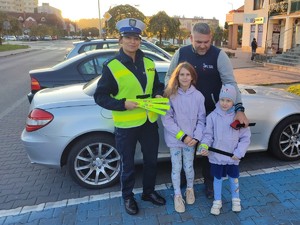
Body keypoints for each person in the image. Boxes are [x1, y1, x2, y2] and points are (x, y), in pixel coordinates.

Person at [165, 22, 249, 199]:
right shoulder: (181, 53)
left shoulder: (219, 55)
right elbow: (169, 76)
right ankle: (183, 184)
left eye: (206, 41)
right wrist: (168, 95)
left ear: (211, 38)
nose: (203, 45)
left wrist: (239, 108)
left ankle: (209, 184)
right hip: (184, 112)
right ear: (191, 38)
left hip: (211, 112)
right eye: (198, 41)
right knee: (185, 147)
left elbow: (230, 83)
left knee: (210, 149)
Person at [93, 18, 166, 215]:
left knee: (151, 160)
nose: (132, 42)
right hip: (126, 125)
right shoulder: (112, 66)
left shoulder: (149, 63)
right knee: (128, 163)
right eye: (128, 38)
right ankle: (127, 197)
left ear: (140, 41)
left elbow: (157, 85)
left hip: (149, 120)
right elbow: (100, 96)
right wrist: (122, 104)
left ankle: (148, 192)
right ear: (121, 41)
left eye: (136, 38)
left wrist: (159, 93)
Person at [198, 84, 251, 215]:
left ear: (233, 101)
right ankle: (217, 201)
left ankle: (236, 199)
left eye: (228, 100)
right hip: (216, 157)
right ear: (218, 99)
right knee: (217, 179)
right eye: (222, 100)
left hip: (232, 157)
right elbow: (207, 135)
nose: (225, 103)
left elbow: (245, 138)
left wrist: (239, 153)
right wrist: (204, 146)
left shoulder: (239, 118)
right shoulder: (212, 117)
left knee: (234, 178)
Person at [161, 62, 206, 213]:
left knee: (188, 166)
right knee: (176, 167)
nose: (185, 77)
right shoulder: (170, 95)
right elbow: (167, 120)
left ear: (192, 77)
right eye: (182, 74)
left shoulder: (199, 96)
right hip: (176, 140)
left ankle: (189, 189)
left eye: (188, 74)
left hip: (191, 140)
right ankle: (178, 195)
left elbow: (202, 119)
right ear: (177, 76)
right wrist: (183, 136)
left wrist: (196, 137)